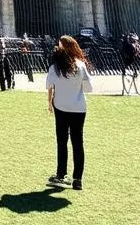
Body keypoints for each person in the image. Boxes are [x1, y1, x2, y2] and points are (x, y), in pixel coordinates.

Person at [45, 35, 93, 191]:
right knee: (78, 143)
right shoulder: (80, 66)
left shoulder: (54, 68)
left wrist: (50, 103)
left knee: (62, 141)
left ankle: (61, 174)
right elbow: (88, 89)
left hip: (61, 107)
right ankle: (77, 179)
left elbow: (49, 87)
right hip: (79, 108)